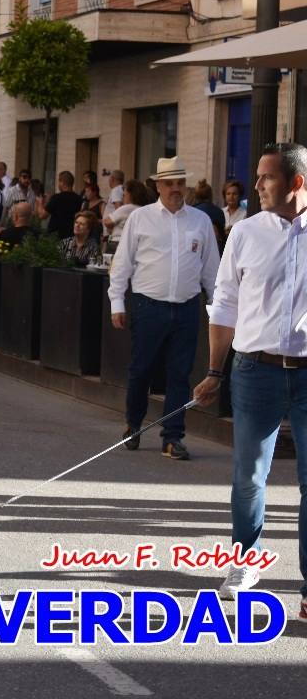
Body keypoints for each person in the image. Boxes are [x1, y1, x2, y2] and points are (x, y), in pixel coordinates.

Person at [192, 142, 307, 617]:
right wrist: (215, 371)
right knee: (248, 477)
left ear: (297, 183)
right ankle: (244, 560)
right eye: (257, 176)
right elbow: (224, 306)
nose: (257, 185)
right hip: (253, 370)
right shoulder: (243, 233)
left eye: (267, 177)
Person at [109, 156, 220, 460]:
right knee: (141, 371)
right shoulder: (140, 218)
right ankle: (133, 424)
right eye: (169, 183)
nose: (175, 188)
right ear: (158, 185)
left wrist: (217, 308)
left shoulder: (200, 222)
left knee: (180, 375)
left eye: (180, 183)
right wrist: (117, 301)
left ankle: (172, 438)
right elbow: (122, 265)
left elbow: (212, 270)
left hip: (186, 308)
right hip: (148, 306)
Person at [102, 178, 150, 246]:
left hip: (117, 242)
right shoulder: (143, 209)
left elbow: (107, 221)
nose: (122, 198)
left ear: (131, 195)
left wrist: (112, 227)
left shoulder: (127, 208)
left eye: (124, 195)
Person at [36, 170, 82, 238]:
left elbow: (42, 215)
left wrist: (40, 202)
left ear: (62, 183)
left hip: (55, 235)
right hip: (71, 235)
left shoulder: (57, 198)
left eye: (59, 181)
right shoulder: (78, 199)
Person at [193, 179, 226, 250]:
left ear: (195, 195)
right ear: (211, 195)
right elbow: (222, 236)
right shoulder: (219, 212)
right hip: (216, 249)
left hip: (197, 249)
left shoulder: (192, 212)